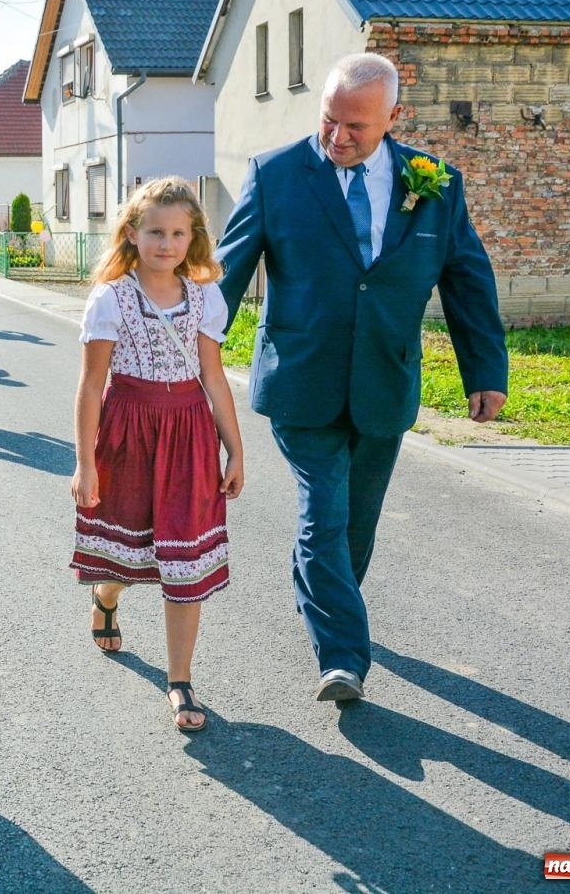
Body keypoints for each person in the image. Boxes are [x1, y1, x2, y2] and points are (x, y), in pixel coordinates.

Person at [215, 52, 508, 705]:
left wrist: (485, 371)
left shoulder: (436, 184)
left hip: (386, 379)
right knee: (325, 511)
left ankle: (319, 596)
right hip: (300, 378)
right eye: (329, 120)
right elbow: (225, 277)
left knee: (356, 526)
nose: (338, 138)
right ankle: (343, 656)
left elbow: (467, 278)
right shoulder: (276, 174)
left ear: (393, 119)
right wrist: (188, 359)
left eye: (356, 127)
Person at [71, 179, 244, 732]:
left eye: (176, 233)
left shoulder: (205, 296)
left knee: (184, 560)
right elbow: (92, 383)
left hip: (190, 432)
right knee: (129, 553)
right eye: (154, 232)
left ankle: (180, 680)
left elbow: (214, 379)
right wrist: (85, 462)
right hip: (129, 429)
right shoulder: (111, 296)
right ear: (132, 233)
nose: (165, 243)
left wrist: (235, 450)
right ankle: (106, 595)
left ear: (192, 237)